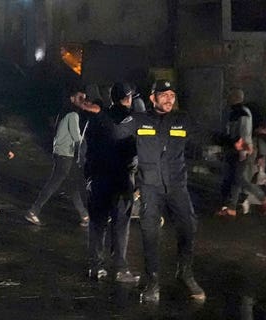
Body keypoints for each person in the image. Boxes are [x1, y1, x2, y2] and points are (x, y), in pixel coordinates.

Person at [82, 79, 206, 303]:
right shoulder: (140, 120)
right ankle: (152, 281)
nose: (169, 98)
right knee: (148, 233)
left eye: (172, 94)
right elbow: (116, 133)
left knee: (188, 227)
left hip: (177, 186)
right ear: (152, 98)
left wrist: (233, 141)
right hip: (148, 187)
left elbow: (205, 136)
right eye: (163, 94)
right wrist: (99, 114)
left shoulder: (181, 119)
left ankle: (185, 273)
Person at [82, 82, 140, 283]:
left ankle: (95, 267)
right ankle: (120, 268)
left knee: (97, 224)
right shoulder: (132, 121)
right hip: (122, 179)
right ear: (129, 98)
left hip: (98, 178)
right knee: (120, 224)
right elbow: (137, 152)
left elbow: (85, 148)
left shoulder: (97, 118)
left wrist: (88, 176)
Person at [24, 85, 89, 227]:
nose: (83, 100)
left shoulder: (65, 112)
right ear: (72, 98)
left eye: (84, 98)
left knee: (72, 185)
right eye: (80, 97)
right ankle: (34, 210)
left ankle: (84, 215)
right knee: (55, 183)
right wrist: (86, 148)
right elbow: (76, 137)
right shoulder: (73, 114)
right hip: (65, 154)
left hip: (62, 153)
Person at [218, 88, 266, 217]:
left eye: (230, 96)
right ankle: (231, 208)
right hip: (234, 149)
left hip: (241, 151)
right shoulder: (235, 112)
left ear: (235, 97)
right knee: (235, 179)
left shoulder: (242, 112)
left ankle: (264, 198)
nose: (228, 98)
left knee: (239, 178)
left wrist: (243, 151)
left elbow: (244, 133)